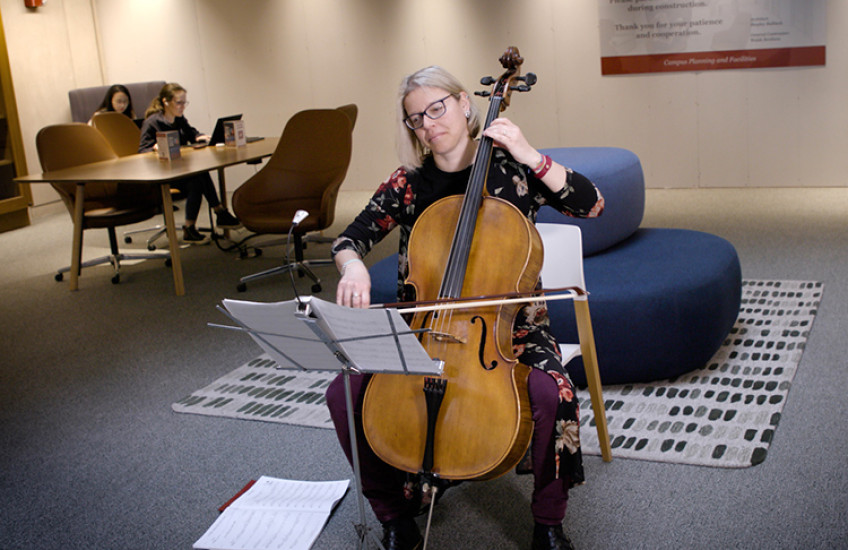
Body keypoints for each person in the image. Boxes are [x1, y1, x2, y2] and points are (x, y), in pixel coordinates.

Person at [325, 66, 604, 550]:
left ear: (465, 104)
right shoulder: (408, 184)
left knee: (553, 393)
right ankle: (393, 516)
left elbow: (593, 205)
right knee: (343, 393)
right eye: (416, 118)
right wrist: (352, 266)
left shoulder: (511, 168)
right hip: (424, 327)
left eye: (437, 107)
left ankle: (549, 521)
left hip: (509, 330)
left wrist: (531, 155)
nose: (429, 123)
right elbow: (350, 238)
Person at [138, 83, 240, 243]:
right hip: (163, 173)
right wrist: (154, 148)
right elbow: (142, 151)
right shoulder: (152, 123)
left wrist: (201, 137)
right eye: (179, 102)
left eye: (184, 102)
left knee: (198, 178)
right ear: (166, 102)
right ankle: (219, 212)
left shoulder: (179, 120)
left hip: (180, 169)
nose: (182, 106)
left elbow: (192, 133)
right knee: (198, 176)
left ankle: (191, 228)